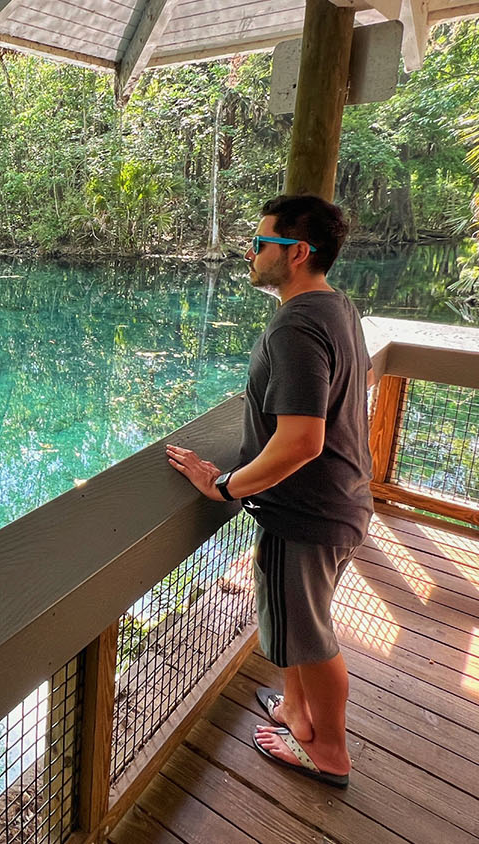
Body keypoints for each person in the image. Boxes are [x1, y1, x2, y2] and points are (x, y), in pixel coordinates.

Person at [165, 194, 372, 788]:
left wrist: (226, 485)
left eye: (261, 244)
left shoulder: (298, 324)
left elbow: (302, 440)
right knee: (303, 623)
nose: (251, 254)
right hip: (337, 498)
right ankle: (297, 714)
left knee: (312, 634)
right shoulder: (337, 307)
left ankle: (329, 751)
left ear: (298, 252)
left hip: (305, 510)